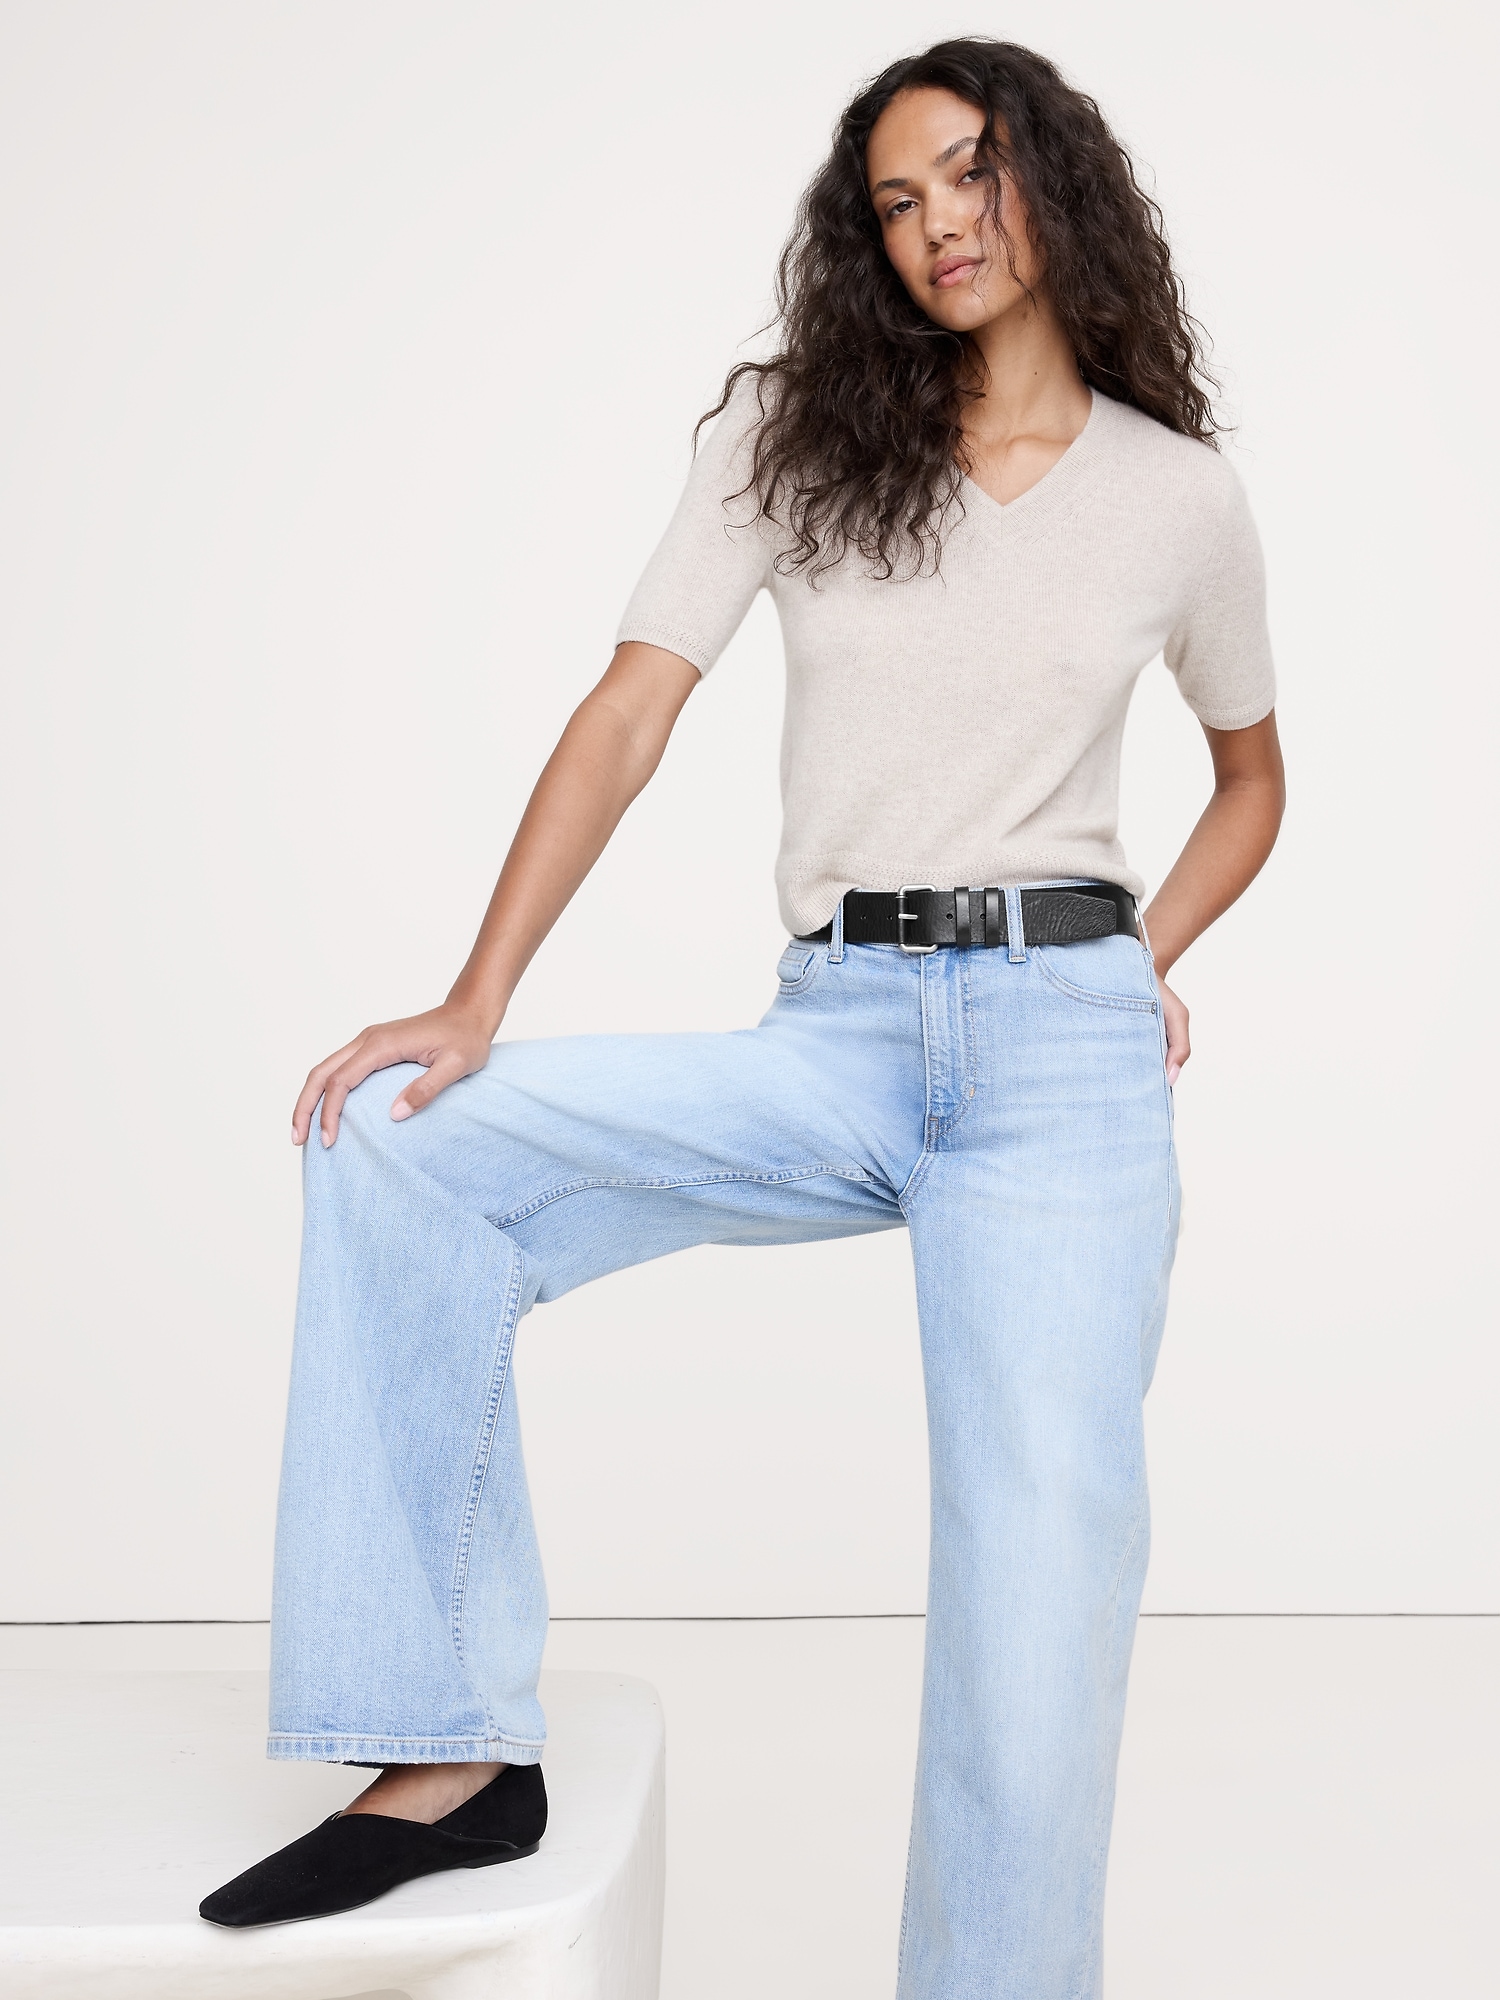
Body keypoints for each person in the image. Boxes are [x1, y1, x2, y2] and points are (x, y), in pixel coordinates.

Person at [200, 35, 1284, 1999]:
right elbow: (633, 709)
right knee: (396, 1146)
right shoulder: (800, 436)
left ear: (1054, 176)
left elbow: (1253, 781)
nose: (940, 224)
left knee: (1038, 1602)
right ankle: (448, 1744)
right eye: (898, 202)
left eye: (971, 172)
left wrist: (1149, 962)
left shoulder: (1179, 499)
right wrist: (477, 994)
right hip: (837, 1029)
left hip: (1064, 1064)